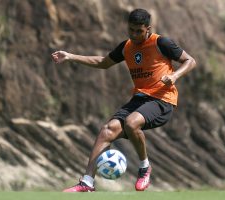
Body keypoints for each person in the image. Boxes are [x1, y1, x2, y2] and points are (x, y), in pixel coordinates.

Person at [51, 8, 196, 192]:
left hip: (162, 99)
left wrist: (174, 76)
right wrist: (70, 56)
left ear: (148, 29)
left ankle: (144, 168)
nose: (134, 35)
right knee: (107, 131)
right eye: (131, 30)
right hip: (140, 98)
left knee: (131, 122)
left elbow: (190, 61)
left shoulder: (161, 43)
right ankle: (87, 182)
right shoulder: (126, 47)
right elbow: (103, 62)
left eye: (139, 31)